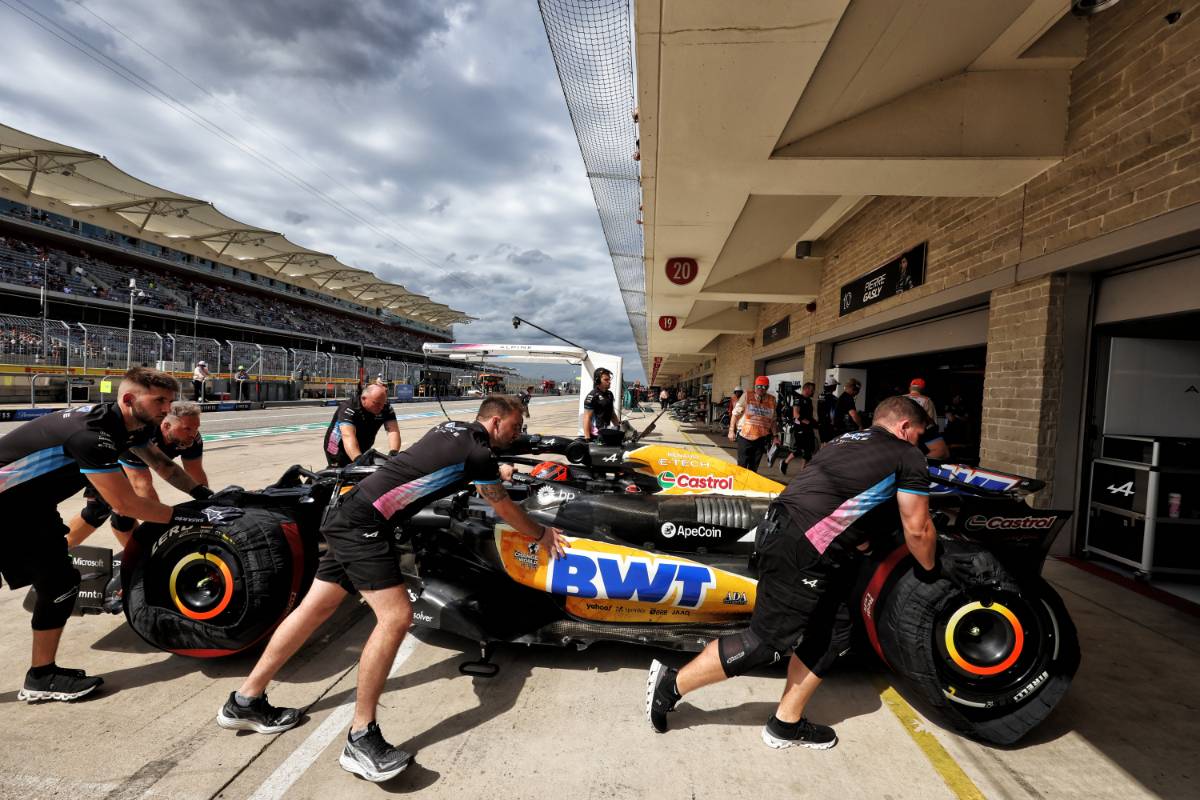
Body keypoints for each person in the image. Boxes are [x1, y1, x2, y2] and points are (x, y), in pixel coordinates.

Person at [216, 395, 566, 782]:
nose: (517, 434)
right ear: (496, 421)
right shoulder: (479, 452)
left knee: (314, 609)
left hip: (351, 515)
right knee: (397, 617)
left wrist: (493, 473)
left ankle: (245, 701)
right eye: (515, 426)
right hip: (364, 525)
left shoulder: (453, 432)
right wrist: (541, 533)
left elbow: (442, 466)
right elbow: (501, 506)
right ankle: (360, 737)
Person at [646, 397, 937, 749]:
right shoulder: (907, 456)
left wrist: (859, 541)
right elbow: (918, 529)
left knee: (833, 632)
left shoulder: (845, 440)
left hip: (783, 529)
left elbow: (832, 496)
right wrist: (932, 572)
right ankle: (671, 684)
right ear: (905, 427)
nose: (919, 444)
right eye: (919, 435)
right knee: (764, 642)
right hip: (802, 547)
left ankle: (785, 723)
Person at [0, 368, 208, 702]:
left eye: (169, 401)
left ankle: (42, 676)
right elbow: (125, 503)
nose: (166, 409)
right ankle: (41, 676)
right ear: (129, 400)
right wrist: (193, 516)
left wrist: (204, 497)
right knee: (58, 583)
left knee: (60, 583)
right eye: (159, 401)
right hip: (7, 508)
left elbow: (166, 467)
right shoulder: (92, 434)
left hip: (29, 509)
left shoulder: (131, 427)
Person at [66, 400, 211, 548]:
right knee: (98, 512)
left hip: (137, 465)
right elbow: (142, 485)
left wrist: (208, 504)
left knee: (124, 518)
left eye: (196, 428)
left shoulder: (193, 439)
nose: (193, 433)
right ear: (166, 426)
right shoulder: (143, 433)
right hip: (110, 460)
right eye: (187, 429)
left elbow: (195, 472)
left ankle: (139, 558)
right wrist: (167, 530)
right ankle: (61, 550)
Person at [323, 384, 402, 467]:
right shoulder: (349, 407)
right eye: (377, 403)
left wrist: (394, 453)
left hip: (363, 445)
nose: (381, 407)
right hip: (339, 449)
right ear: (364, 398)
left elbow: (393, 431)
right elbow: (347, 435)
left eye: (383, 403)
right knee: (344, 474)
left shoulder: (385, 407)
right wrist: (358, 460)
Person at [728, 376, 776, 473]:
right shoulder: (747, 396)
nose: (761, 389)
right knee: (742, 465)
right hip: (745, 437)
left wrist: (775, 435)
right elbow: (735, 414)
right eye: (758, 386)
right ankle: (740, 485)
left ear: (767, 387)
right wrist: (731, 430)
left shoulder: (772, 400)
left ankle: (748, 486)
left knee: (754, 467)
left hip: (761, 438)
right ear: (755, 386)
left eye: (764, 387)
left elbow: (773, 420)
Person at [781, 382, 817, 475]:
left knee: (808, 450)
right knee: (799, 449)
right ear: (807, 389)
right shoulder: (798, 399)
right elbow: (796, 414)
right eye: (812, 389)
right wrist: (807, 422)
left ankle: (803, 472)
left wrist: (815, 423)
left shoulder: (809, 400)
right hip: (800, 428)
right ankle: (785, 463)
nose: (813, 391)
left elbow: (809, 416)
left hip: (808, 429)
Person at [582, 368, 619, 441]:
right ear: (598, 381)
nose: (609, 382)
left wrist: (618, 427)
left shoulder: (609, 394)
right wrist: (587, 438)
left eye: (609, 379)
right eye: (606, 380)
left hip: (606, 432)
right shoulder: (592, 396)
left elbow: (612, 414)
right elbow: (587, 418)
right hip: (596, 435)